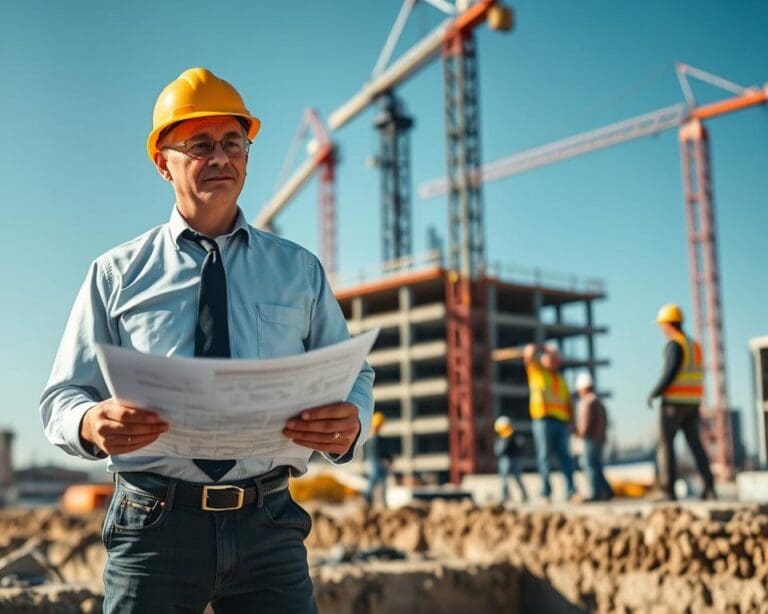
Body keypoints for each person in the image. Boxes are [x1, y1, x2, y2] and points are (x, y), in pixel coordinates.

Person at [39, 67, 375, 613]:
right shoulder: (115, 274)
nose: (221, 157)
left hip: (269, 523)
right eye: (200, 145)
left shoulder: (299, 270)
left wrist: (353, 419)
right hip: (153, 527)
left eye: (234, 142)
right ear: (162, 163)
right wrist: (89, 422)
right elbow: (62, 396)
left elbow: (353, 371)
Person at [647, 304, 716, 501]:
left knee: (666, 445)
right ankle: (710, 487)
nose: (661, 329)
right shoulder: (694, 346)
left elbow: (670, 371)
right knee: (695, 445)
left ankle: (667, 490)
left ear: (668, 324)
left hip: (674, 404)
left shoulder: (674, 345)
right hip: (692, 402)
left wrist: (655, 392)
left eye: (662, 325)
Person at [523, 343, 576, 501]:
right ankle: (545, 492)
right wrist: (543, 347)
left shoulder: (560, 380)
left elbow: (568, 403)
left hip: (561, 422)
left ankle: (571, 491)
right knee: (544, 456)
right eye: (550, 358)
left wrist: (572, 422)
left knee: (565, 457)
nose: (553, 361)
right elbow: (529, 352)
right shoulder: (537, 372)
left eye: (555, 359)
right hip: (543, 420)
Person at [574, 372, 613, 502]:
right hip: (599, 438)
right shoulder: (599, 401)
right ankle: (606, 491)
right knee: (596, 465)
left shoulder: (588, 401)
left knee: (588, 464)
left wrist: (579, 433)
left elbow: (585, 423)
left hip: (590, 438)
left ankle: (596, 493)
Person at [493, 415, 528, 503]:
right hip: (506, 459)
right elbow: (499, 450)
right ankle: (505, 496)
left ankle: (524, 495)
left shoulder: (515, 435)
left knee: (517, 478)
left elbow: (520, 445)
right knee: (504, 479)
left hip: (514, 459)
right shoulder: (502, 437)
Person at [363, 411, 392, 506]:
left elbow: (384, 452)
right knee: (373, 481)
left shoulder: (376, 439)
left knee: (382, 483)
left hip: (379, 464)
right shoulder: (372, 440)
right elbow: (378, 453)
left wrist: (388, 459)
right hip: (375, 463)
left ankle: (379, 502)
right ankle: (367, 500)